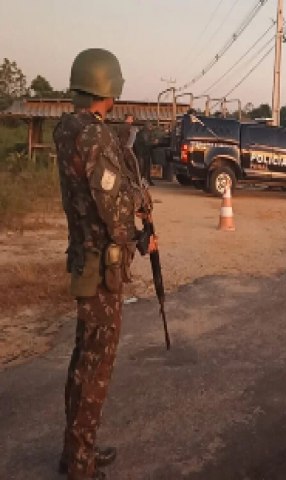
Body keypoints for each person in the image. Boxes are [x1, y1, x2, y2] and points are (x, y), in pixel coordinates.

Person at [53, 48, 146, 480]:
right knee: (96, 365)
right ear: (106, 86)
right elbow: (112, 205)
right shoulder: (93, 135)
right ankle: (80, 464)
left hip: (83, 257)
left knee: (82, 357)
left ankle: (76, 450)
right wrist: (139, 232)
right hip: (102, 263)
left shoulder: (67, 127)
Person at [133, 121, 155, 186]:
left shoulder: (143, 132)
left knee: (145, 168)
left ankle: (145, 180)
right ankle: (142, 181)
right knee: (142, 168)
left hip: (143, 152)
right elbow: (146, 143)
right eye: (151, 126)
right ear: (147, 126)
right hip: (142, 153)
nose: (152, 128)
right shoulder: (144, 133)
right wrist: (154, 142)